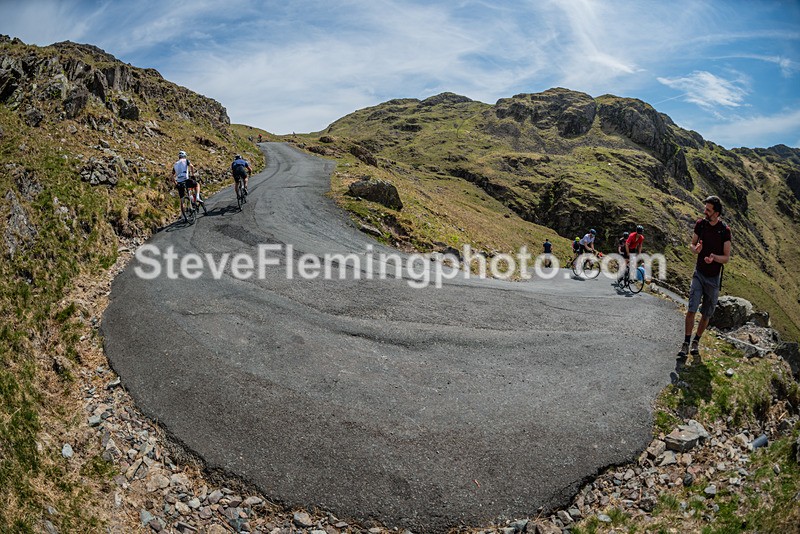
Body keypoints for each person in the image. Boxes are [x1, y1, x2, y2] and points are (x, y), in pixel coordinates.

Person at [679, 196, 732, 359]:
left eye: (708, 210)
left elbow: (726, 257)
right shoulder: (700, 224)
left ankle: (696, 341)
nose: (705, 212)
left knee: (707, 314)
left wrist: (713, 258)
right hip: (699, 274)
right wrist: (696, 249)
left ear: (716, 213)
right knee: (691, 309)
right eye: (705, 209)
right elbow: (692, 245)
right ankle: (686, 343)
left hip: (713, 278)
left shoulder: (725, 231)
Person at [172, 150, 202, 219]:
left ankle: (184, 216)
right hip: (186, 180)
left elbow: (172, 177)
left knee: (182, 199)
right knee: (196, 184)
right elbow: (191, 166)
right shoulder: (186, 160)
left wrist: (176, 183)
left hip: (179, 182)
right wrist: (192, 175)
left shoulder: (175, 164)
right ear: (185, 156)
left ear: (179, 157)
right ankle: (197, 197)